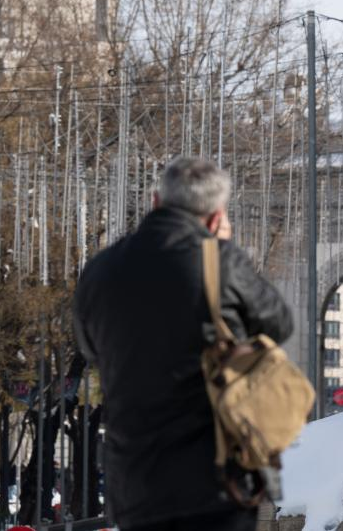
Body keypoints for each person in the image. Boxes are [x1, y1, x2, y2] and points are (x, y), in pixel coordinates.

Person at [74, 157, 293, 531]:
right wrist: (219, 247)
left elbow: (88, 347)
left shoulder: (101, 270)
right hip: (217, 484)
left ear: (157, 200)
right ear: (214, 217)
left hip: (134, 486)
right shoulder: (219, 260)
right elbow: (278, 322)